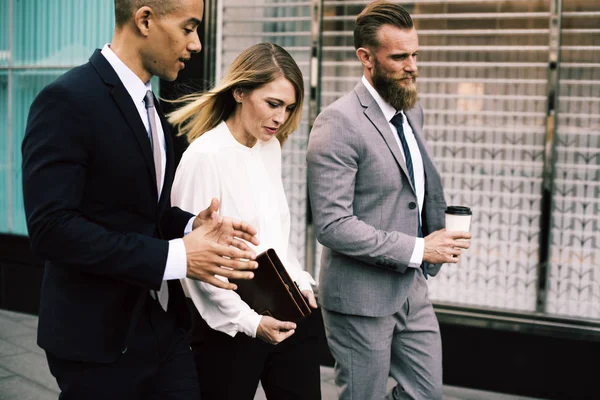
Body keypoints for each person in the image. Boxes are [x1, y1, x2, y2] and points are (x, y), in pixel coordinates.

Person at [21, 1, 261, 399]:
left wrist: (190, 225)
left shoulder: (154, 109)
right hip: (95, 341)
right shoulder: (66, 100)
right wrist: (179, 257)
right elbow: (51, 230)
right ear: (145, 19)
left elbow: (144, 212)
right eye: (189, 28)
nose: (197, 44)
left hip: (162, 328)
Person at [306, 2, 472, 399]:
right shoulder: (337, 122)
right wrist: (419, 247)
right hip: (359, 296)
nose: (412, 66)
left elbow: (412, 190)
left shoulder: (411, 109)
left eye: (415, 54)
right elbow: (331, 225)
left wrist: (438, 233)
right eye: (399, 57)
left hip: (412, 286)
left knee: (426, 393)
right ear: (366, 58)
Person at [169, 42, 321, 400]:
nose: (280, 118)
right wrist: (251, 323)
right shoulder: (204, 157)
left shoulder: (270, 148)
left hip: (286, 312)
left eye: (288, 107)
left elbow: (276, 234)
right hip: (229, 328)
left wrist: (300, 282)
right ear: (239, 91)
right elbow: (198, 265)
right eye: (272, 104)